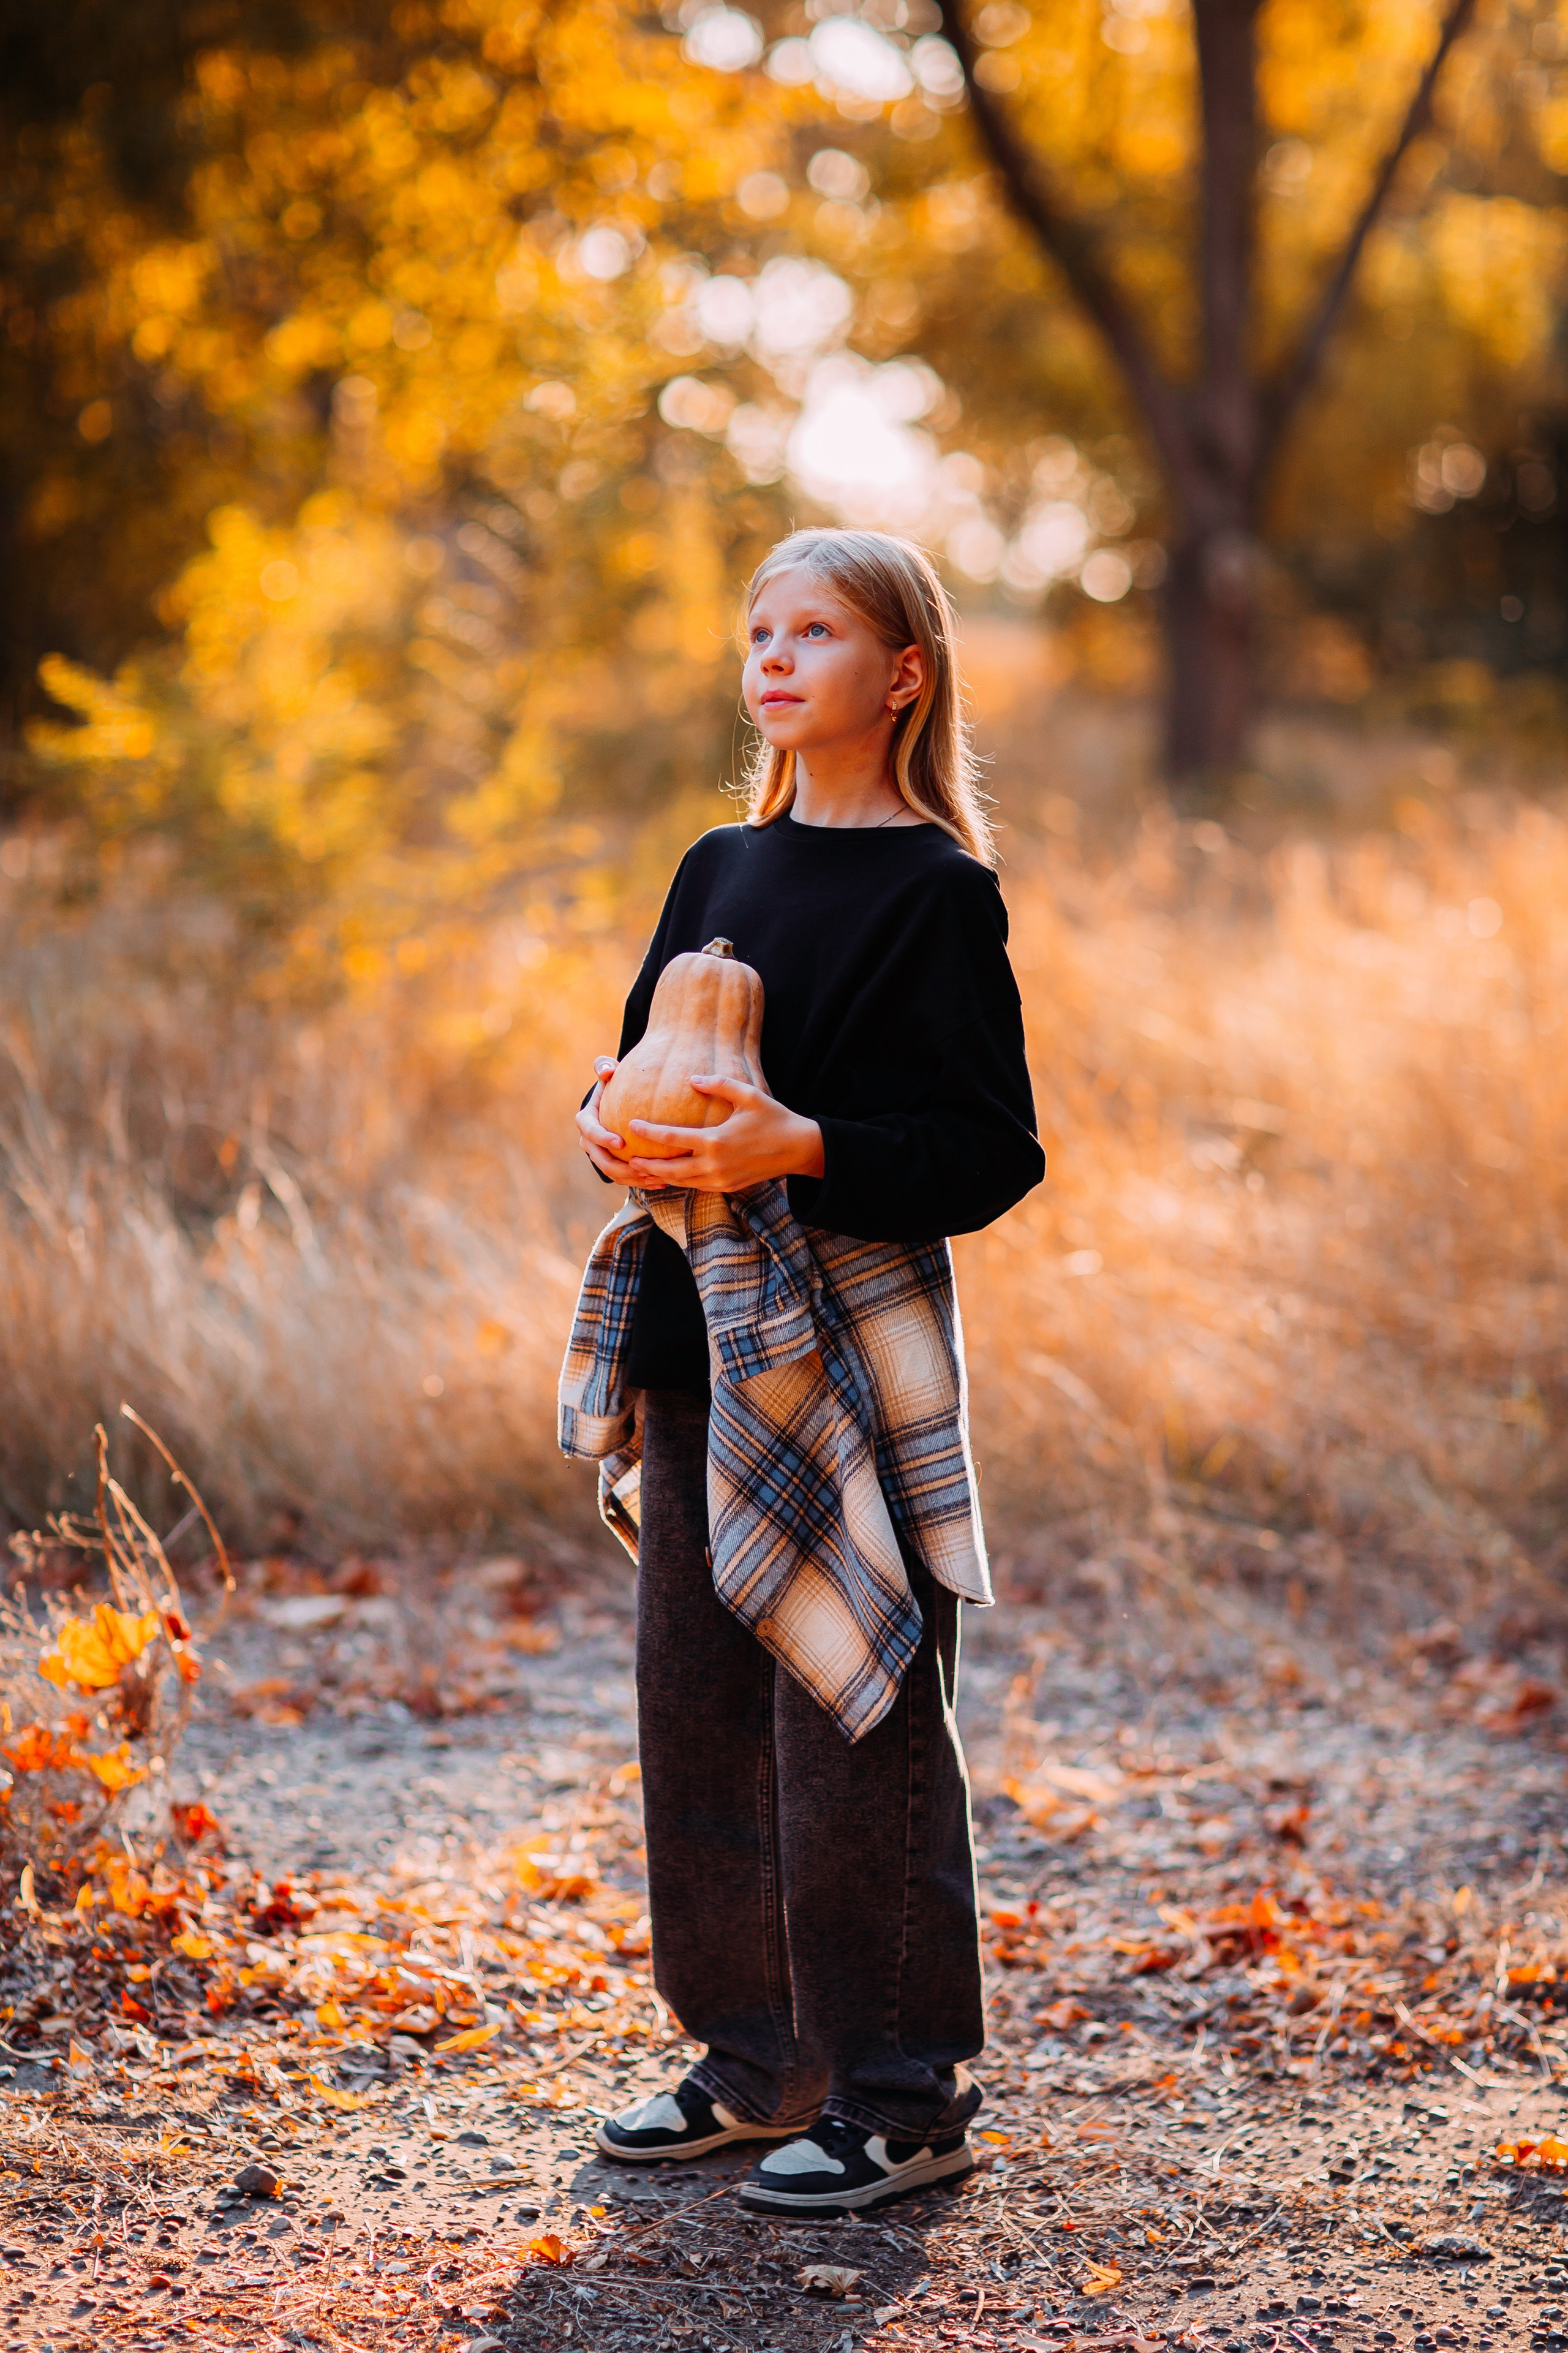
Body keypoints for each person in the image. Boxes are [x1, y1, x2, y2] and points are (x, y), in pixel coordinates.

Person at [559, 526, 1044, 2215]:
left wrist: (806, 1143)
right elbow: (647, 1062)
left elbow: (988, 1151)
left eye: (816, 631)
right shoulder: (719, 866)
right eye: (760, 631)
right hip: (704, 1333)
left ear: (902, 673)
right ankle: (759, 2060)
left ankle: (903, 2091)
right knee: (697, 1714)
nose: (773, 658)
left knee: (857, 1719)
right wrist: (610, 1118)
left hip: (849, 1360)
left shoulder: (936, 893)